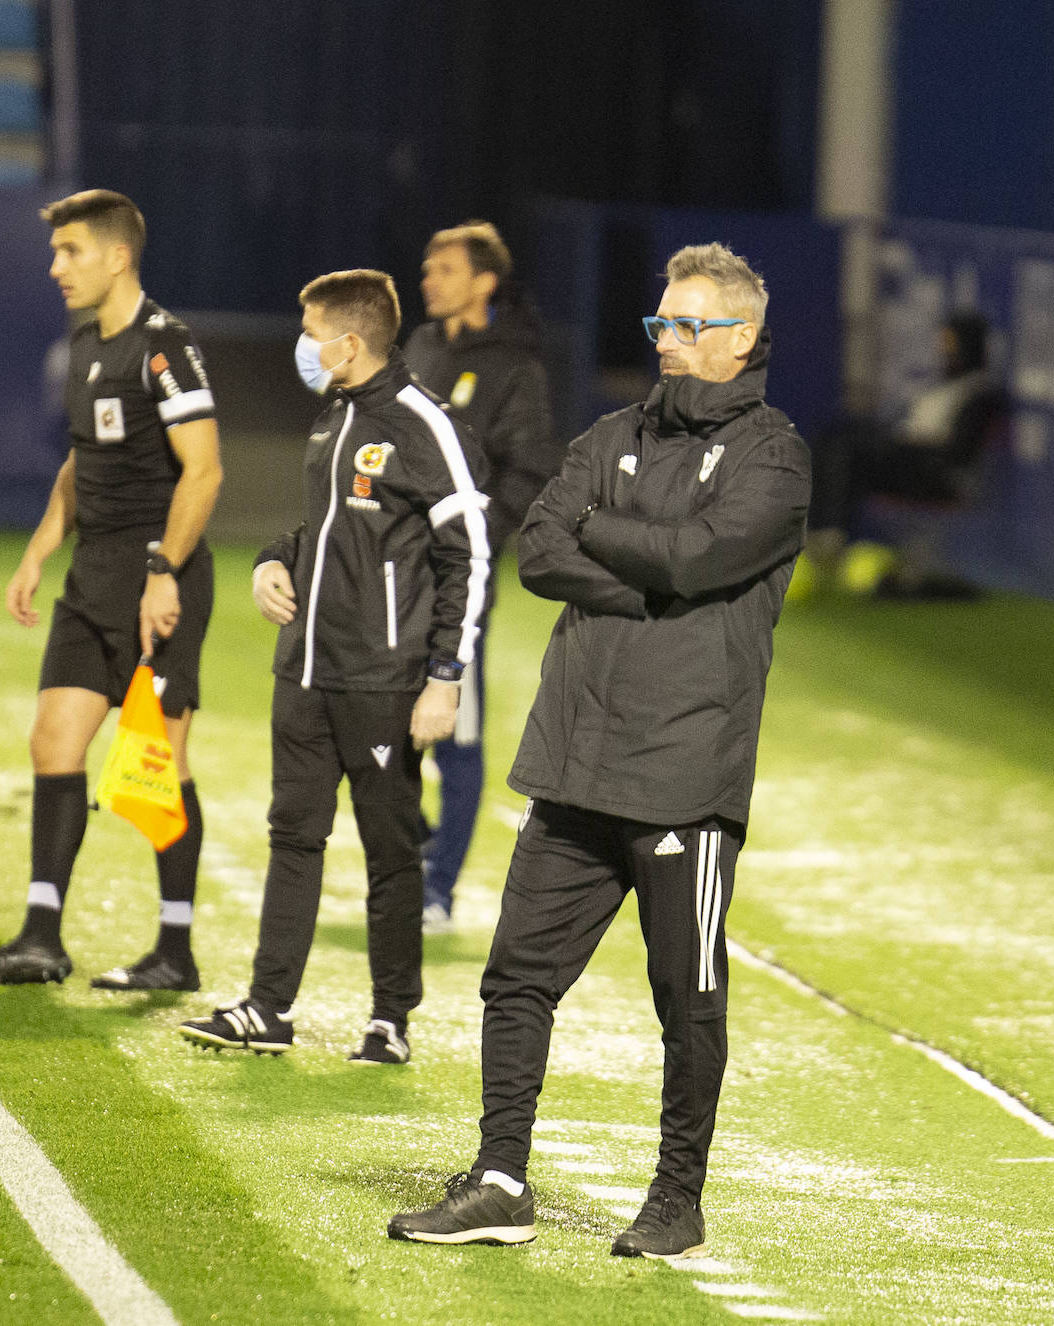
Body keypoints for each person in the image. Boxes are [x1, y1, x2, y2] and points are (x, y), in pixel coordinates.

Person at [388, 243, 810, 1256]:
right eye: (661, 323)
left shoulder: (774, 457)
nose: (669, 341)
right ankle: (499, 1180)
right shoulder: (611, 433)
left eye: (691, 325)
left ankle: (677, 1200)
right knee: (515, 978)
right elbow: (540, 543)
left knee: (686, 998)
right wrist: (654, 586)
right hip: (574, 761)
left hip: (684, 778)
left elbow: (705, 554)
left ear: (743, 338)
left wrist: (616, 542)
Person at [178, 269, 489, 1064]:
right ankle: (268, 1008)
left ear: (349, 342)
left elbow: (471, 555)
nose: (304, 346)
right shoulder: (333, 416)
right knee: (294, 837)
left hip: (384, 682)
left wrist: (445, 677)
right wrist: (271, 562)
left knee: (390, 852)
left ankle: (391, 1019)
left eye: (312, 330)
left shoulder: (424, 424)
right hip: (305, 676)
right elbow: (322, 530)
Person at [0, 189, 223, 991]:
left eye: (70, 252)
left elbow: (203, 472)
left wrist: (165, 574)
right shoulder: (82, 344)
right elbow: (79, 464)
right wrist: (39, 549)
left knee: (156, 765)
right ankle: (41, 938)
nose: (55, 267)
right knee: (52, 742)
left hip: (155, 579)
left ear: (117, 255)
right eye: (56, 251)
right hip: (91, 578)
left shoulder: (165, 347)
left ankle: (174, 950)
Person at [404, 221, 560, 933]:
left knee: (456, 729)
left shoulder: (515, 367)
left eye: (443, 268)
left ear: (483, 281)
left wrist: (472, 536)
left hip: (458, 579)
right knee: (370, 718)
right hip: (391, 570)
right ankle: (414, 844)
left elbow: (530, 471)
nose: (428, 278)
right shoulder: (421, 347)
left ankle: (436, 889)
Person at [804, 309, 1004, 579]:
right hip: (904, 461)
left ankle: (830, 538)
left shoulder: (980, 393)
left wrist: (906, 445)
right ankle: (813, 532)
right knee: (832, 439)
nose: (944, 351)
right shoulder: (939, 386)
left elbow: (958, 453)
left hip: (934, 474)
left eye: (951, 344)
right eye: (943, 344)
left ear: (968, 345)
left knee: (849, 453)